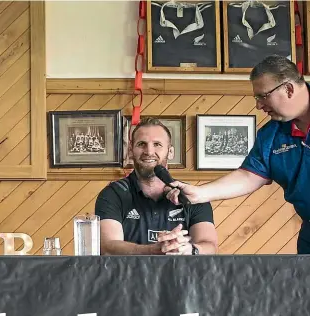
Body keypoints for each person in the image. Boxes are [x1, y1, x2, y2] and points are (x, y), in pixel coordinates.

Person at [167, 55, 310, 254]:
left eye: (263, 96)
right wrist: (200, 193)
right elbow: (250, 175)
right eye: (256, 98)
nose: (259, 105)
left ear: (288, 89)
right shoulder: (271, 135)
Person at [95, 117, 219, 255]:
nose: (149, 151)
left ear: (170, 152)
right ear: (130, 151)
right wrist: (153, 251)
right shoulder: (112, 194)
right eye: (141, 144)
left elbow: (210, 246)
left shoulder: (192, 195)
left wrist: (189, 249)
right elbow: (107, 247)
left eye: (157, 144)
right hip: (128, 276)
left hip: (181, 276)